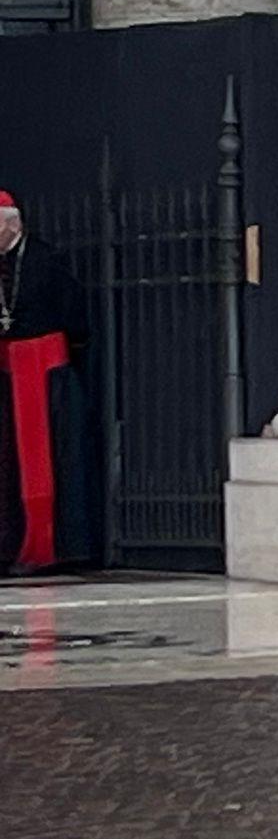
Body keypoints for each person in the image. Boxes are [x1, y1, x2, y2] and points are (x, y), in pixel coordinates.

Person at [0, 190, 95, 574]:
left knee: (54, 459)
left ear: (11, 224)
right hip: (8, 374)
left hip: (46, 372)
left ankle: (54, 548)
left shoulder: (45, 259)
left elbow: (73, 316)